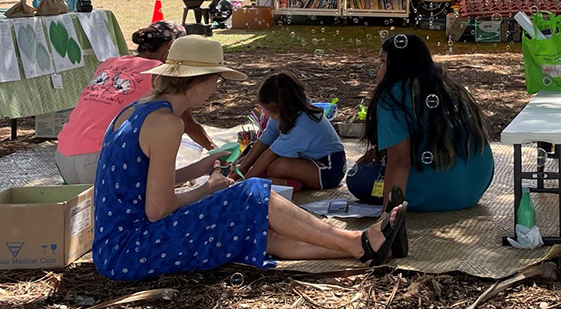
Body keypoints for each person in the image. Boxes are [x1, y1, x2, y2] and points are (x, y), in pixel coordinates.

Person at [92, 35, 408, 281]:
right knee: (254, 193)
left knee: (257, 229)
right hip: (134, 249)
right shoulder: (168, 123)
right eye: (217, 79)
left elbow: (136, 182)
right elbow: (159, 208)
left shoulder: (135, 110)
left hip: (113, 248)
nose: (216, 87)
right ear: (199, 79)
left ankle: (366, 247)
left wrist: (199, 168)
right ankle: (357, 240)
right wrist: (210, 188)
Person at [346, 33, 493, 212]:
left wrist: (387, 219)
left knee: (359, 178)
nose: (378, 69)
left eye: (383, 62)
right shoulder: (449, 85)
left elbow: (400, 160)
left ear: (398, 66)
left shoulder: (393, 96)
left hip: (438, 193)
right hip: (475, 188)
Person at [56, 21, 214, 184]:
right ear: (170, 47)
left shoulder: (110, 63)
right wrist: (215, 151)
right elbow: (187, 124)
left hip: (63, 156)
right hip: (100, 159)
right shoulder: (158, 72)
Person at [235, 72, 346, 191]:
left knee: (275, 167)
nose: (267, 115)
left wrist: (245, 182)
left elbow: (271, 153)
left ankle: (291, 183)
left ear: (281, 109)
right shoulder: (285, 112)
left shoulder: (303, 124)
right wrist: (242, 168)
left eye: (269, 112)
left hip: (329, 169)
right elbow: (264, 140)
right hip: (309, 161)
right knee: (265, 165)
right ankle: (287, 181)